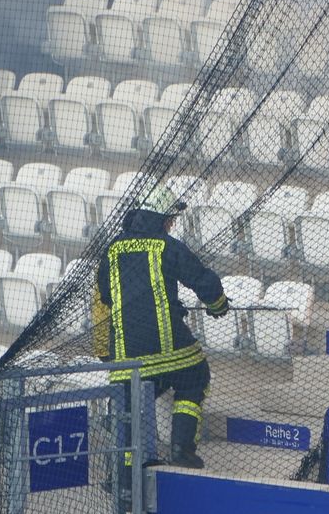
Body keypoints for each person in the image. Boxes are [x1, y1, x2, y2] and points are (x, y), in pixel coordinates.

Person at [96, 184, 229, 469]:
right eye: (169, 218)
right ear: (157, 218)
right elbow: (201, 278)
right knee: (195, 376)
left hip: (125, 353)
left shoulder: (112, 250)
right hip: (167, 346)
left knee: (129, 404)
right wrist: (218, 305)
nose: (171, 223)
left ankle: (124, 477)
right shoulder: (165, 246)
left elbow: (106, 296)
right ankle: (182, 451)